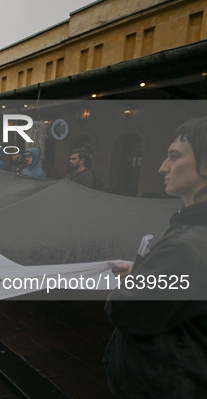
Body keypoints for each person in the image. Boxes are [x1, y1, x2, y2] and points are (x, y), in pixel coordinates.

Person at [104, 117, 207, 398]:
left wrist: (131, 285)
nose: (163, 167)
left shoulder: (188, 245)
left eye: (174, 156)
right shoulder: (190, 231)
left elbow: (127, 310)